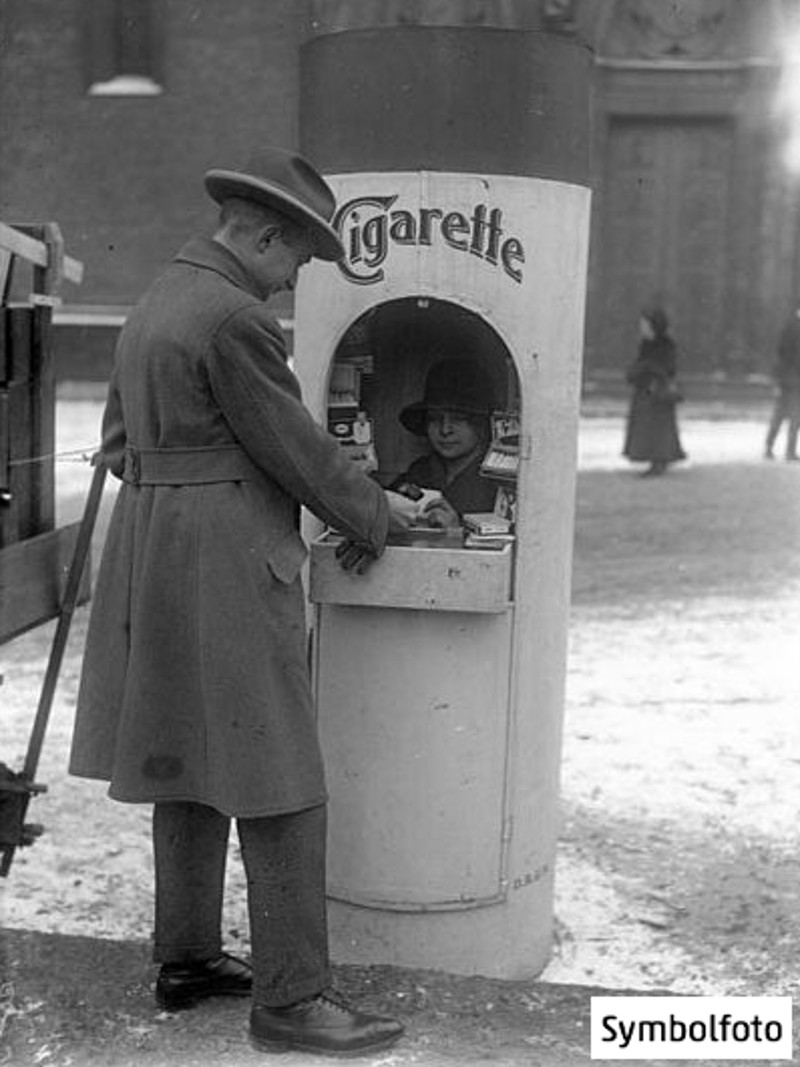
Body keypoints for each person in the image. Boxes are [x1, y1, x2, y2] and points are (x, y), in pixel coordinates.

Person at [68, 147, 418, 1057]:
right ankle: (294, 997)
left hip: (154, 553)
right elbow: (294, 450)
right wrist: (377, 511)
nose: (293, 279)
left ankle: (184, 958)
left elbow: (114, 444)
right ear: (262, 235)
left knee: (185, 757)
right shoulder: (237, 320)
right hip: (229, 559)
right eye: (296, 259)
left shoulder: (156, 300)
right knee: (281, 775)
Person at [392, 357, 499, 525]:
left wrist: (457, 531)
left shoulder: (499, 484)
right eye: (435, 419)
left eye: (457, 419)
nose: (445, 430)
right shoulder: (418, 472)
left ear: (481, 425)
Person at [622, 308, 687, 477]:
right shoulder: (646, 345)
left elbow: (667, 369)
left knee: (658, 430)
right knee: (648, 429)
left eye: (644, 324)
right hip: (646, 392)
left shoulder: (665, 345)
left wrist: (647, 369)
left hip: (657, 394)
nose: (641, 328)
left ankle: (659, 459)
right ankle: (654, 458)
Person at [764, 305, 800, 461]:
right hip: (794, 379)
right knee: (794, 416)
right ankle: (789, 450)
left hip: (788, 378)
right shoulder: (794, 328)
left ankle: (769, 446)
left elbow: (781, 354)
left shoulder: (790, 326)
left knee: (780, 414)